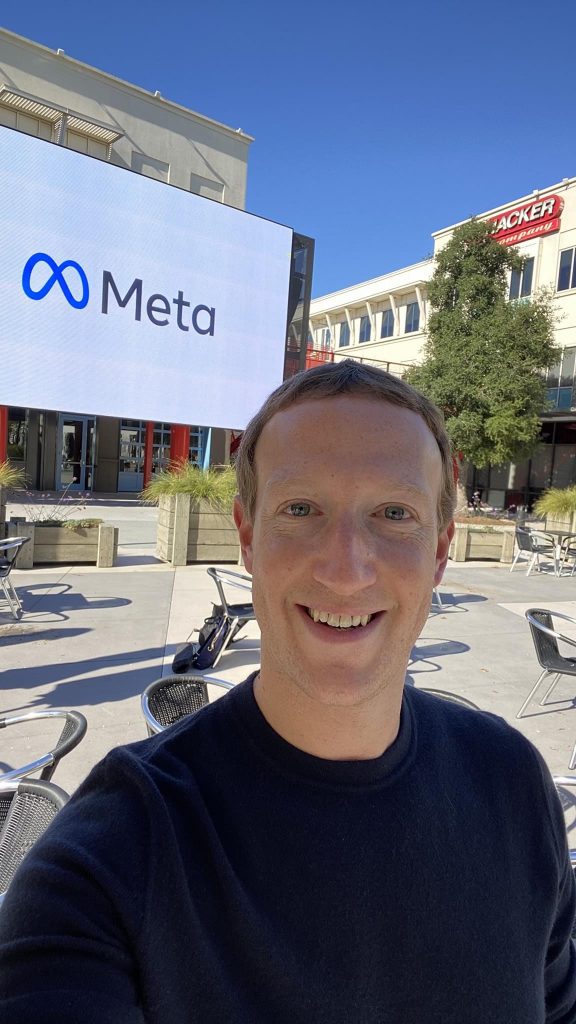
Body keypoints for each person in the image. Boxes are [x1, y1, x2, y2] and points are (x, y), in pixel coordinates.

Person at [0, 359, 574, 1023]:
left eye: (394, 513)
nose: (345, 569)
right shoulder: (118, 849)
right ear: (248, 538)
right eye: (300, 509)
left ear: (440, 551)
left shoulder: (512, 784)